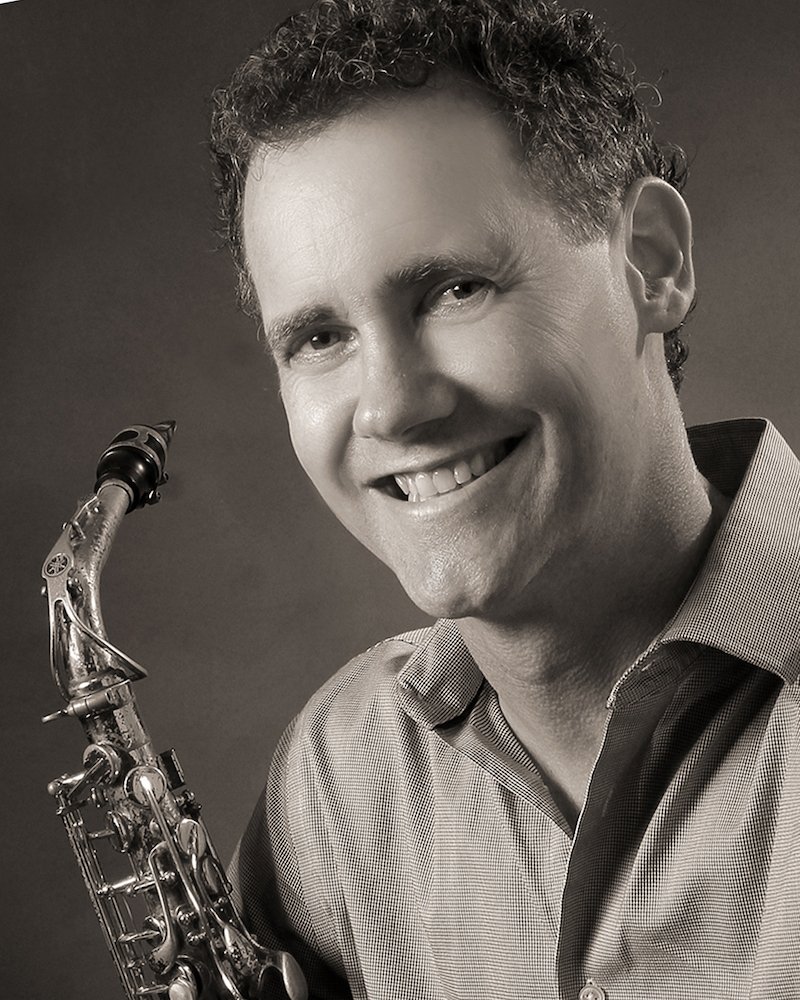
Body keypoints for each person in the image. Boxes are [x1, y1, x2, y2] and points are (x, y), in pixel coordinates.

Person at [209, 1, 800, 997]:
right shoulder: (329, 783)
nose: (391, 404)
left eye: (453, 289)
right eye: (318, 337)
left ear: (649, 262)